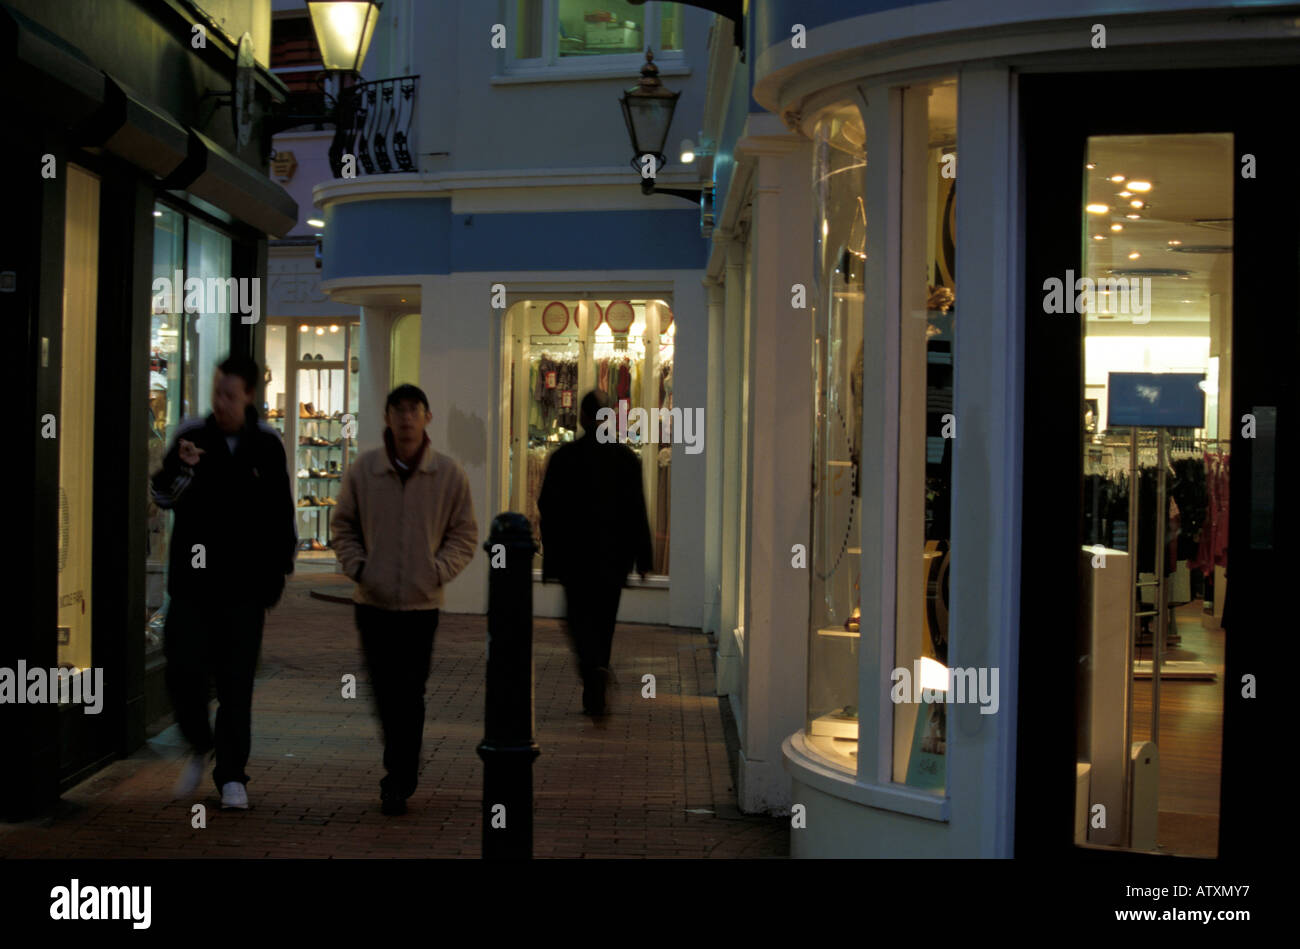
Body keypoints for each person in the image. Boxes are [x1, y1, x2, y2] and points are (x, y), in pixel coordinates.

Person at [151, 354, 296, 810]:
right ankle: (199, 741)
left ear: (250, 396)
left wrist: (277, 573)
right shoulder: (191, 436)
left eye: (231, 394)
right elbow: (162, 496)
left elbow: (280, 515)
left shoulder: (266, 444)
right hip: (193, 585)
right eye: (217, 392)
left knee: (236, 683)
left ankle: (232, 774)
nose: (222, 402)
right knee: (183, 668)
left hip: (244, 587)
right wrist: (181, 466)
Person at [331, 384, 478, 816]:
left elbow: (465, 533)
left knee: (410, 692)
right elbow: (343, 526)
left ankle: (400, 776)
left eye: (414, 410)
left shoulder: (448, 475)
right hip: (372, 602)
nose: (407, 418)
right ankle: (398, 766)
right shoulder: (365, 471)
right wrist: (359, 566)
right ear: (388, 418)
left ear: (427, 418)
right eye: (399, 410)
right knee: (382, 690)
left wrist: (438, 570)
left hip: (420, 604)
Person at [538, 390, 654, 718]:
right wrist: (643, 559)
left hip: (575, 559)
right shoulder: (626, 459)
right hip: (612, 559)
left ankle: (591, 670)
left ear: (582, 419)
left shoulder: (564, 458)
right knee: (604, 622)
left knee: (577, 620)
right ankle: (597, 671)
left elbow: (547, 507)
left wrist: (552, 550)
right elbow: (637, 512)